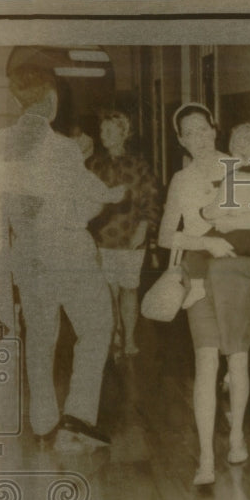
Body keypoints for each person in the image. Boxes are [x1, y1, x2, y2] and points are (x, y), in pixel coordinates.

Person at [0, 64, 125, 452]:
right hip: (67, 251)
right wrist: (112, 195)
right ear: (51, 101)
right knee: (97, 327)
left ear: (16, 100)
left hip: (28, 252)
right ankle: (78, 421)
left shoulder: (1, 142)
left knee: (40, 335)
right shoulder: (63, 148)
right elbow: (94, 199)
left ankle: (43, 421)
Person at [158, 104, 250, 486]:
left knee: (238, 363)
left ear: (215, 129)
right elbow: (165, 236)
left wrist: (232, 224)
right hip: (199, 273)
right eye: (188, 132)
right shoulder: (180, 181)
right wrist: (204, 241)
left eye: (203, 129)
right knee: (205, 364)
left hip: (238, 274)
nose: (198, 138)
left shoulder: (242, 165)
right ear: (179, 139)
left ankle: (236, 437)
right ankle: (205, 459)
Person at [181, 122, 250, 312]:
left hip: (234, 238)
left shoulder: (232, 178)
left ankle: (197, 288)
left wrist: (204, 212)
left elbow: (218, 209)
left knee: (196, 250)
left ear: (237, 155)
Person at [86, 110, 161, 357]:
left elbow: (151, 200)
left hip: (131, 237)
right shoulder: (94, 164)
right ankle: (113, 335)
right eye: (102, 130)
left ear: (124, 133)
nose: (104, 135)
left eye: (110, 130)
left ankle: (128, 338)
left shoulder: (138, 164)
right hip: (102, 238)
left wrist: (143, 229)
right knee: (107, 290)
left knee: (129, 288)